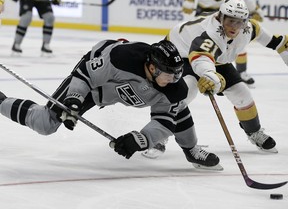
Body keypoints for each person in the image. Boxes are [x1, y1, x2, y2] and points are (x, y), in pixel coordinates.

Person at [0, 39, 223, 170]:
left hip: (117, 90)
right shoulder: (120, 58)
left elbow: (165, 122)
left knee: (178, 105)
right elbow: (85, 74)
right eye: (170, 75)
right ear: (153, 68)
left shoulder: (173, 85)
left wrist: (141, 139)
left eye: (178, 74)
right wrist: (74, 101)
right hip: (94, 84)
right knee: (45, 123)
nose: (175, 80)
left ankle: (191, 150)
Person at [144, 0, 288, 158]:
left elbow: (278, 42)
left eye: (239, 22)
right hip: (182, 54)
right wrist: (210, 76)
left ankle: (254, 132)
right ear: (221, 17)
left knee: (242, 93)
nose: (234, 26)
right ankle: (160, 134)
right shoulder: (210, 32)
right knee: (185, 94)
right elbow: (201, 58)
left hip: (215, 59)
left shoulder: (249, 28)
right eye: (230, 21)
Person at [182, 0, 264, 86]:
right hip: (205, 16)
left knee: (238, 44)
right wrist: (188, 0)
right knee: (201, 44)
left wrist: (255, 10)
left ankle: (241, 72)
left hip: (227, 16)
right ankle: (198, 69)